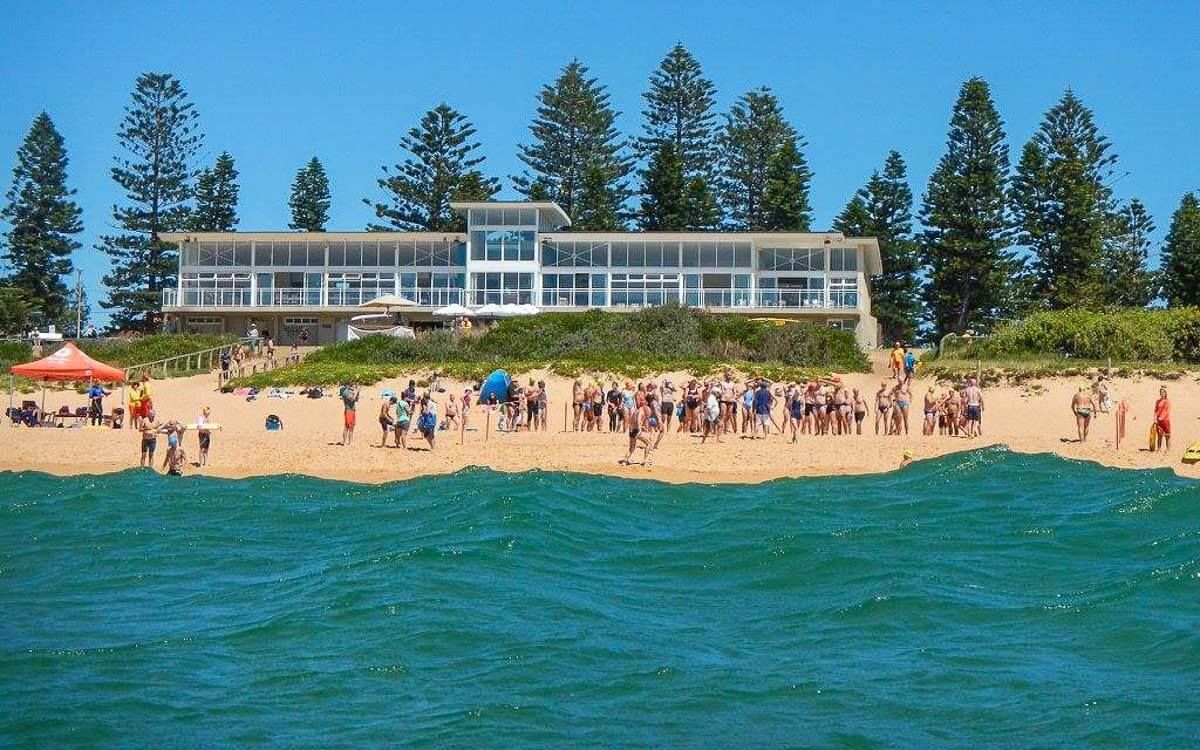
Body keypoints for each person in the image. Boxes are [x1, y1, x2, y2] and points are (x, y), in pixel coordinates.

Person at [1154, 386, 1171, 452]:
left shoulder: (1167, 401)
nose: (1162, 393)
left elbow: (1168, 411)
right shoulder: (1157, 401)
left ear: (1166, 393)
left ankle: (1168, 449)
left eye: (1163, 392)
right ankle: (1159, 448)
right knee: (1159, 435)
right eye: (1161, 392)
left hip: (1165, 420)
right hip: (1159, 420)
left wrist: (1162, 417)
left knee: (1167, 435)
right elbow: (1155, 410)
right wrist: (1155, 418)